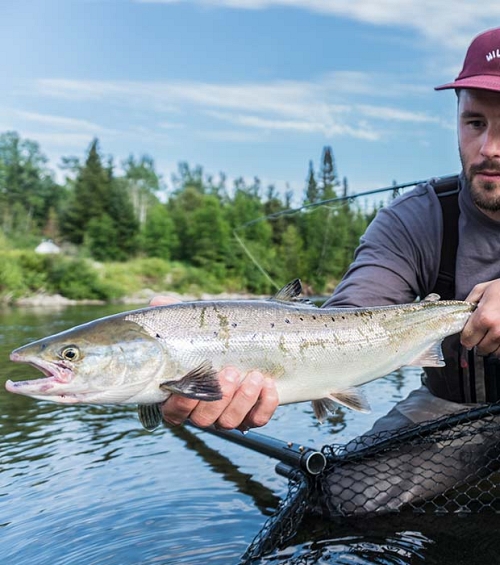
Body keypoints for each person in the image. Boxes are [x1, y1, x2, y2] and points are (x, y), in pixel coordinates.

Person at [156, 26, 500, 435]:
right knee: (344, 496)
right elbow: (349, 318)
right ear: (456, 120)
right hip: (451, 408)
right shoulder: (413, 220)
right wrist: (202, 339)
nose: (489, 148)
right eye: (475, 123)